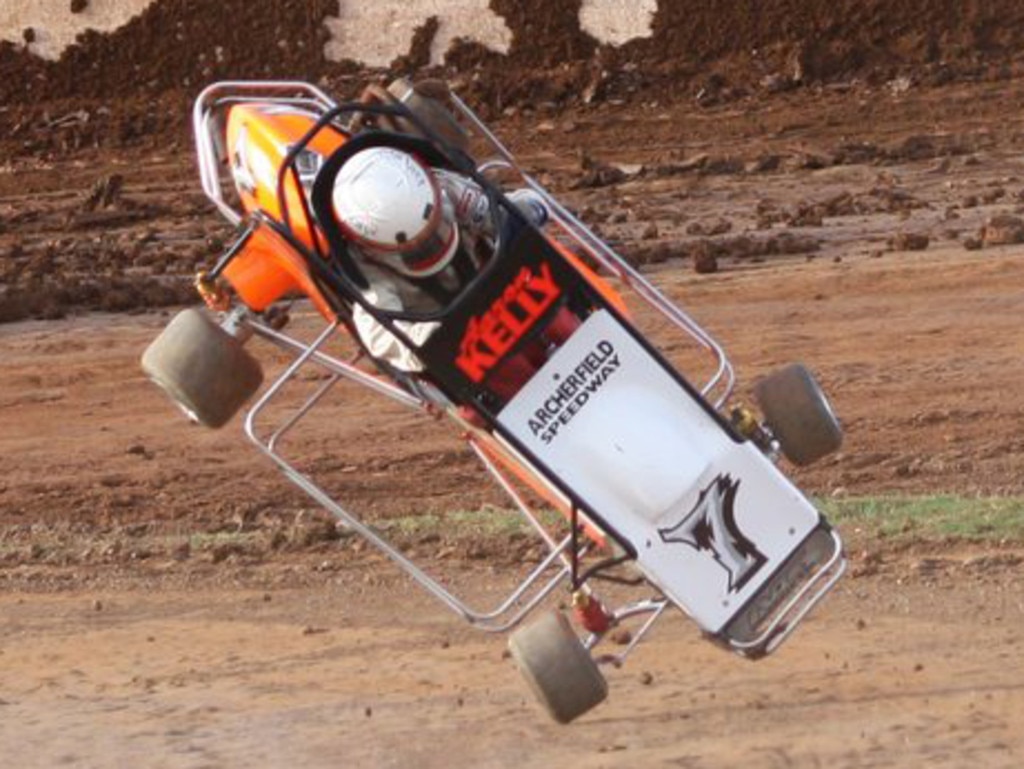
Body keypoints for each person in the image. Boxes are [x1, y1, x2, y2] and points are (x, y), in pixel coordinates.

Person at [330, 144, 565, 396]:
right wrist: (441, 337)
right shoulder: (364, 266)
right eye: (413, 246)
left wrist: (527, 211)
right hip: (459, 342)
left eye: (432, 229)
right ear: (371, 245)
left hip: (507, 289)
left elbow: (500, 213)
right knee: (512, 378)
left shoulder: (446, 189)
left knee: (562, 319)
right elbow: (381, 337)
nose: (429, 243)